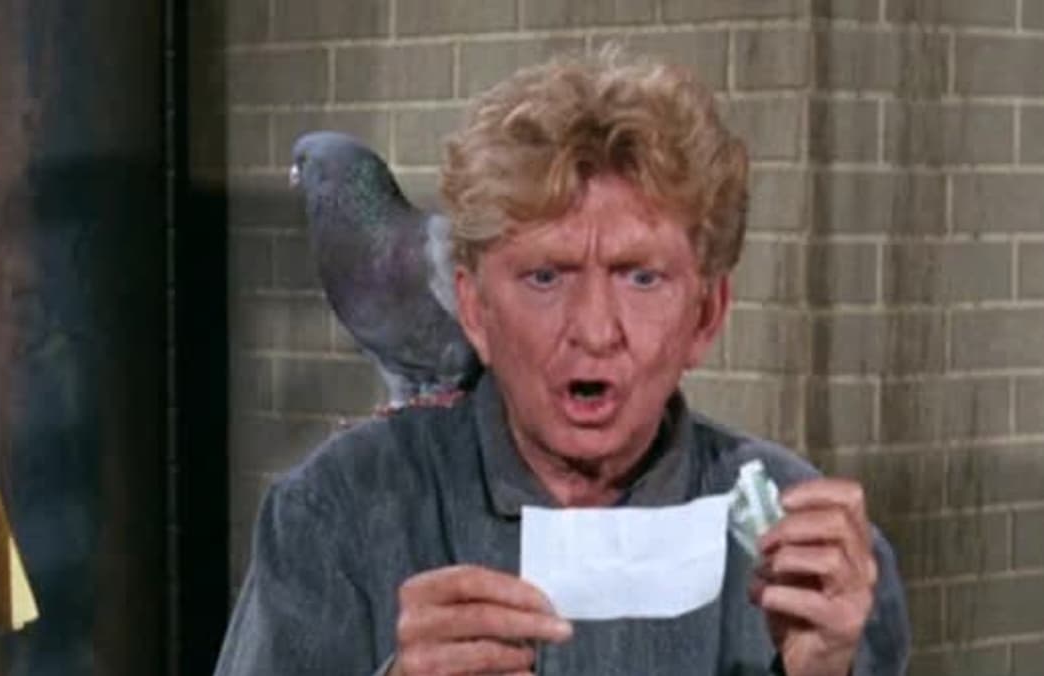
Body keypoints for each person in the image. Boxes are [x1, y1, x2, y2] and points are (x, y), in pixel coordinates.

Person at [214, 47, 910, 676]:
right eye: (546, 277)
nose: (595, 330)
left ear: (706, 315)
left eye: (641, 277)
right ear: (474, 310)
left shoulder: (805, 548)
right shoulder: (338, 512)